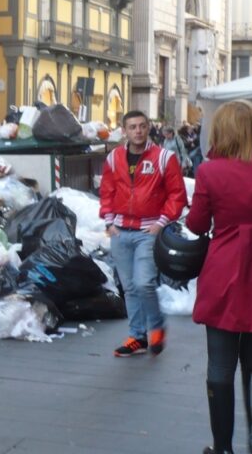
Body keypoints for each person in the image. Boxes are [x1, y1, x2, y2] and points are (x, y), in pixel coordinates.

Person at [185, 100, 252, 454]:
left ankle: (222, 448)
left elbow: (197, 224)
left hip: (225, 269)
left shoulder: (210, 172)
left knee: (220, 365)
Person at [99, 109, 187, 358]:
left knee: (144, 282)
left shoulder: (164, 158)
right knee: (128, 287)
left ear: (148, 128)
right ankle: (137, 337)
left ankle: (157, 327)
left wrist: (161, 223)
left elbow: (177, 195)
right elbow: (107, 191)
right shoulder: (114, 158)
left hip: (148, 230)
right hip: (120, 231)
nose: (137, 131)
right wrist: (108, 221)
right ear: (124, 130)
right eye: (132, 127)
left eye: (141, 126)